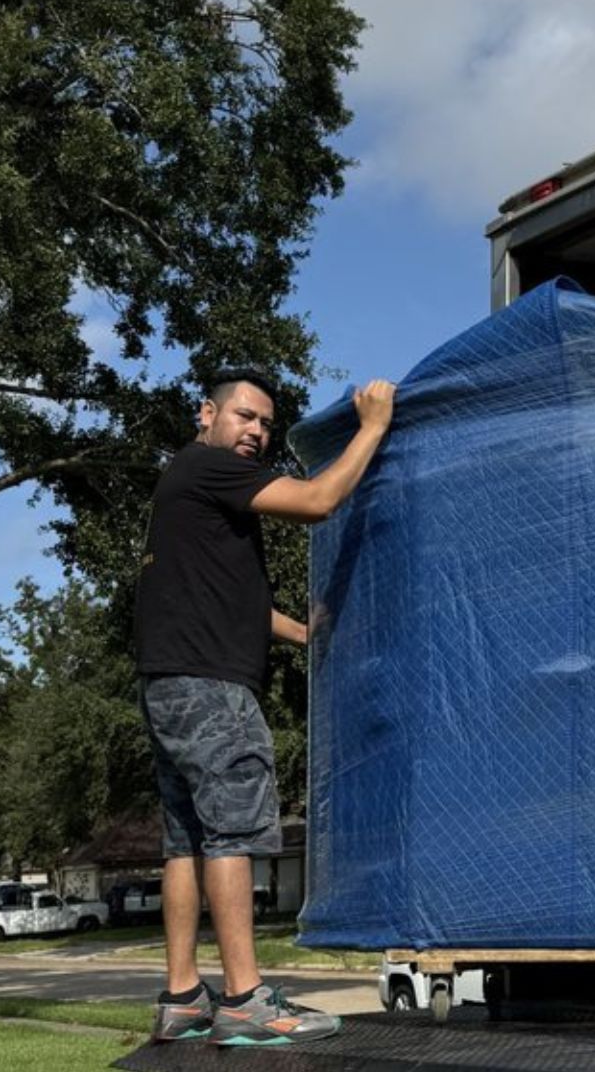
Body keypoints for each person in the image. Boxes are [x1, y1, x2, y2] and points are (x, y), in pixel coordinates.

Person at [135, 368, 396, 1046]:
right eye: (244, 417)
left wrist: (303, 632)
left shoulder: (188, 486)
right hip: (211, 688)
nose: (254, 432)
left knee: (186, 842)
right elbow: (316, 500)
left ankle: (183, 997)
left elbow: (238, 605)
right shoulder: (210, 468)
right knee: (232, 831)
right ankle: (247, 998)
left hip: (171, 685)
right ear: (206, 414)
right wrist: (371, 428)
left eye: (263, 425)